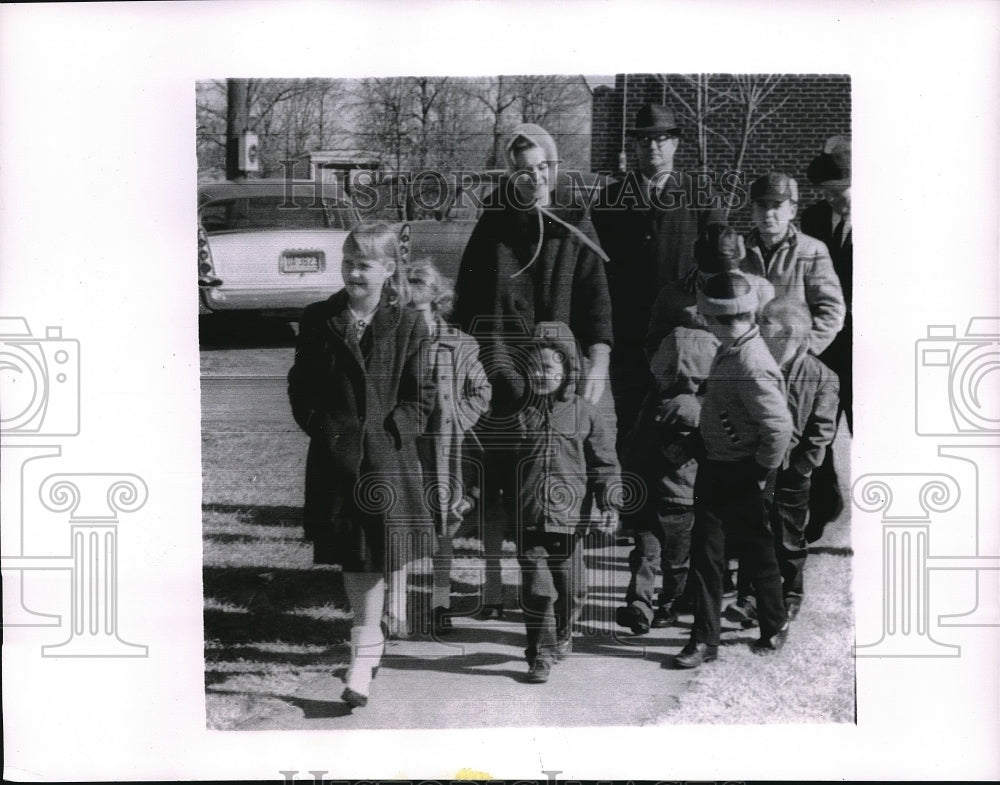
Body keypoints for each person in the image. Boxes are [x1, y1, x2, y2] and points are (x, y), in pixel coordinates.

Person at [453, 123, 615, 620]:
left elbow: (597, 303)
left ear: (555, 167)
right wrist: (473, 365)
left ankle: (565, 597)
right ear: (512, 175)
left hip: (560, 382)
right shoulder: (493, 225)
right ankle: (499, 587)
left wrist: (599, 360)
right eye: (524, 171)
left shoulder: (575, 222)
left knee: (565, 482)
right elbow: (468, 302)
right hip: (502, 380)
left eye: (543, 167)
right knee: (503, 489)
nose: (535, 178)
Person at [287, 222, 434, 709]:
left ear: (389, 270)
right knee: (357, 559)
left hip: (385, 461)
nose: (353, 271)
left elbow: (420, 396)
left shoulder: (410, 324)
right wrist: (325, 431)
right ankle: (365, 654)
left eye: (364, 264)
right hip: (337, 459)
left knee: (371, 558)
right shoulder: (319, 319)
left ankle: (361, 664)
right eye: (348, 261)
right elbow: (301, 387)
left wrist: (393, 435)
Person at [614, 223, 764, 634]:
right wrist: (669, 385)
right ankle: (654, 597)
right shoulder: (672, 294)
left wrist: (706, 402)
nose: (718, 275)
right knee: (660, 502)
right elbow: (652, 341)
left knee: (709, 511)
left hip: (722, 407)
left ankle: (711, 592)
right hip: (668, 402)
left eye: (727, 267)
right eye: (711, 268)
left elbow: (756, 355)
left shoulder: (755, 292)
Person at [674, 271, 793, 670]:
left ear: (715, 318)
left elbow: (779, 427)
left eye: (706, 316)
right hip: (717, 466)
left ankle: (774, 624)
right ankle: (705, 639)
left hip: (744, 472)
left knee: (758, 553)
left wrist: (759, 472)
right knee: (706, 555)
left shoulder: (750, 361)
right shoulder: (732, 347)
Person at [591, 103, 721, 446]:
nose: (653, 147)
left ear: (675, 144)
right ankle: (633, 497)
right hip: (630, 335)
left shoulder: (701, 196)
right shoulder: (609, 199)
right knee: (631, 425)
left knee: (682, 425)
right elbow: (596, 272)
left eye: (661, 139)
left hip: (683, 339)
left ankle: (678, 502)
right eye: (644, 140)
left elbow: (719, 268)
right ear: (634, 146)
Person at [513, 322, 621, 684]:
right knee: (538, 590)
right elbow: (493, 463)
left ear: (567, 370)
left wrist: (610, 504)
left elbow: (605, 463)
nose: (541, 375)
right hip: (528, 519)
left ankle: (562, 632)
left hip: (571, 521)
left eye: (549, 368)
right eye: (534, 366)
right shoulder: (515, 414)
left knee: (573, 591)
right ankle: (539, 655)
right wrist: (476, 494)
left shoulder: (586, 414)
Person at [724, 297, 840, 627]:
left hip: (792, 473)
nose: (758, 328)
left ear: (787, 332)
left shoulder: (821, 376)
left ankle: (789, 595)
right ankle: (748, 599)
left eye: (766, 324)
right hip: (757, 464)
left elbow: (822, 428)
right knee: (752, 531)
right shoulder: (756, 365)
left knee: (789, 536)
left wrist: (804, 466)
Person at [405, 259, 492, 636]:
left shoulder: (460, 344)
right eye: (407, 310)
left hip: (445, 455)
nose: (414, 316)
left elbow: (482, 391)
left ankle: (440, 603)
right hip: (404, 451)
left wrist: (456, 420)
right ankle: (397, 608)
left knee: (443, 532)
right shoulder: (392, 343)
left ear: (437, 301)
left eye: (420, 308)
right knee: (401, 529)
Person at [741, 172, 846, 357]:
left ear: (792, 210)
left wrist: (804, 350)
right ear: (752, 210)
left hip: (792, 358)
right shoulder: (738, 250)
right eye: (762, 205)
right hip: (747, 356)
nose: (768, 213)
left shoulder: (811, 250)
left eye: (777, 206)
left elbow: (832, 309)